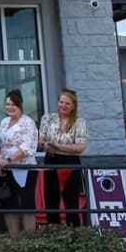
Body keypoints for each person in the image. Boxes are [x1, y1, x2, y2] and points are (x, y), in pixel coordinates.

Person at [39, 89, 89, 227]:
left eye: (67, 103)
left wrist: (59, 146)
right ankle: (53, 235)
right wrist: (45, 145)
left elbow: (81, 147)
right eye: (61, 102)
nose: (63, 105)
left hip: (70, 162)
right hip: (51, 160)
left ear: (73, 105)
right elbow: (41, 140)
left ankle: (73, 237)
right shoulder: (48, 118)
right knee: (51, 201)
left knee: (71, 202)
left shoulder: (79, 122)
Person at [0, 89, 39, 238]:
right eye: (7, 104)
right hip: (5, 169)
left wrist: (8, 160)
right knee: (8, 204)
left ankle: (29, 239)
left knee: (27, 204)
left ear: (20, 105)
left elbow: (27, 147)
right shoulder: (3, 122)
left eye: (13, 104)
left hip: (25, 167)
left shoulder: (28, 122)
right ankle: (13, 239)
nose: (10, 107)